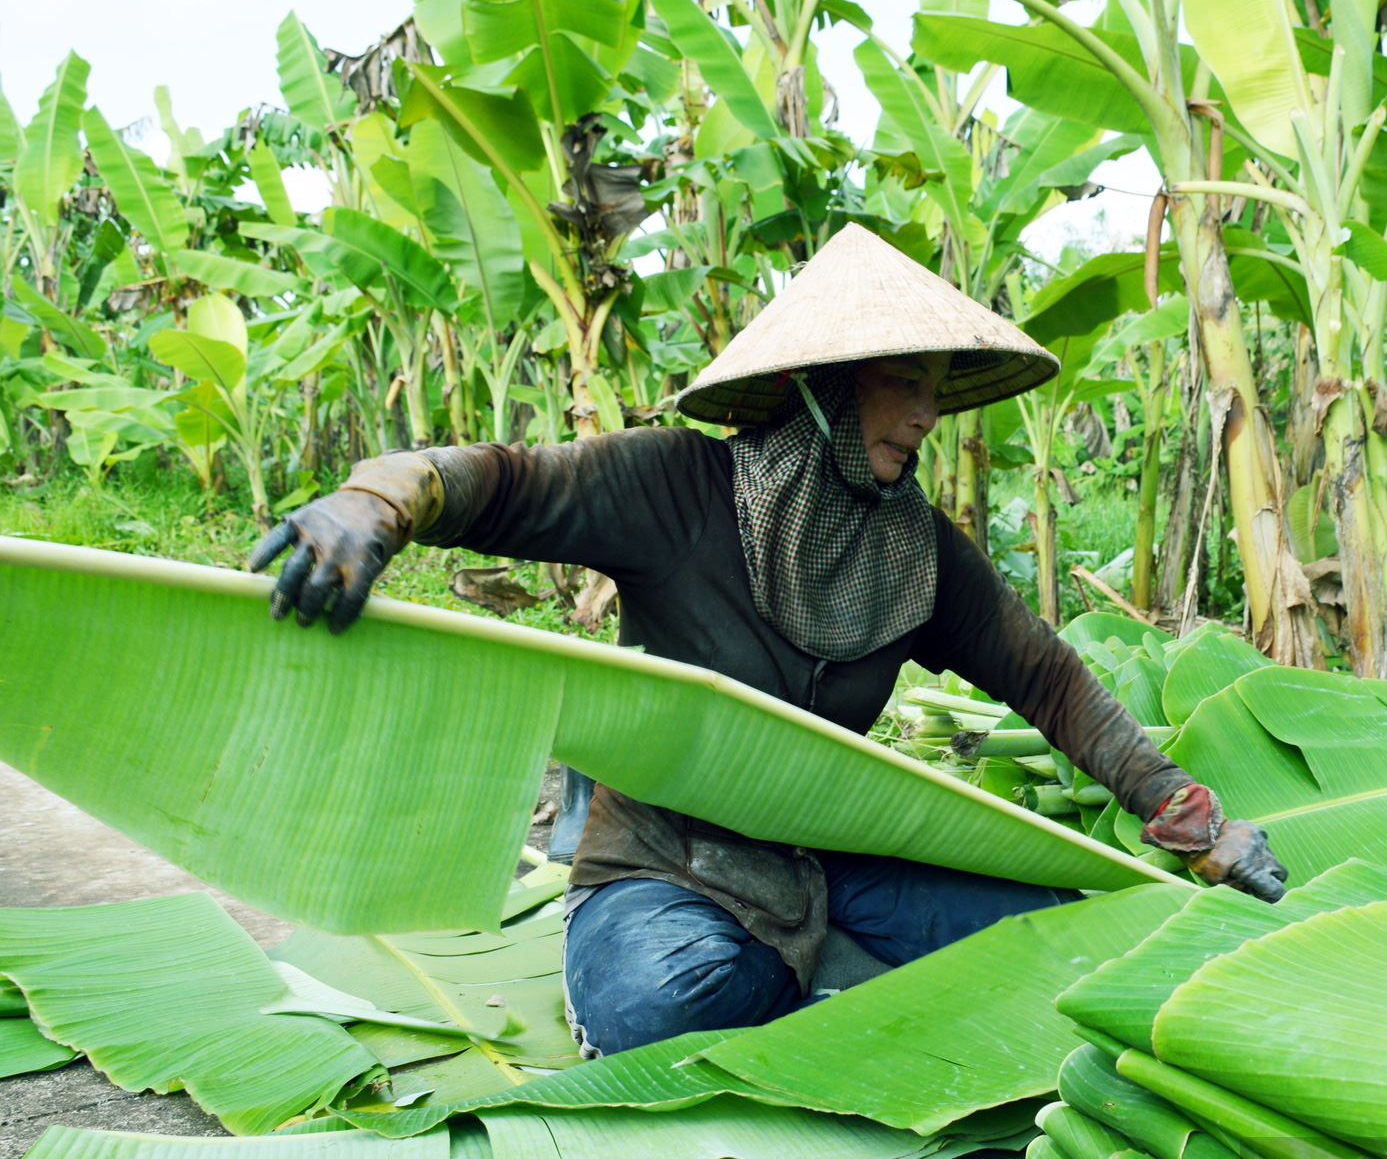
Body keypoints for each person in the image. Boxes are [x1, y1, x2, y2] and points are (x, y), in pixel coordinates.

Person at [246, 224, 1286, 1057]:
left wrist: (1191, 820)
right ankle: (816, 977)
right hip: (664, 868)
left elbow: (1048, 682)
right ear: (826, 381)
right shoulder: (674, 486)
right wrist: (371, 503)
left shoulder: (916, 549)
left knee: (1068, 932)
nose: (927, 413)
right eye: (903, 380)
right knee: (656, 1006)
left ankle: (820, 962)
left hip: (827, 858)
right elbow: (501, 482)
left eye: (935, 389)